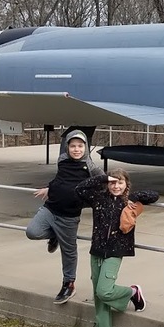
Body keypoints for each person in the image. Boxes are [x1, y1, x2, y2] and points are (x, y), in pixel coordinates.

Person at [75, 168, 160, 327]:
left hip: (116, 251)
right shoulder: (98, 197)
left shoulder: (128, 202)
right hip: (97, 249)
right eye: (113, 182)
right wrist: (104, 178)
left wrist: (134, 195)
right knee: (98, 293)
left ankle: (132, 293)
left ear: (126, 184)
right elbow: (79, 189)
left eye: (120, 182)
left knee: (104, 291)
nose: (116, 186)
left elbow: (154, 195)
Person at [25, 130, 101, 305]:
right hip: (50, 208)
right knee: (32, 232)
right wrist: (49, 188)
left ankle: (69, 284)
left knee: (69, 252)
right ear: (67, 147)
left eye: (80, 146)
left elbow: (103, 183)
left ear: (86, 148)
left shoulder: (90, 167)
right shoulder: (62, 160)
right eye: (73, 146)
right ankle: (54, 236)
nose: (76, 149)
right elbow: (60, 179)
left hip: (69, 217)